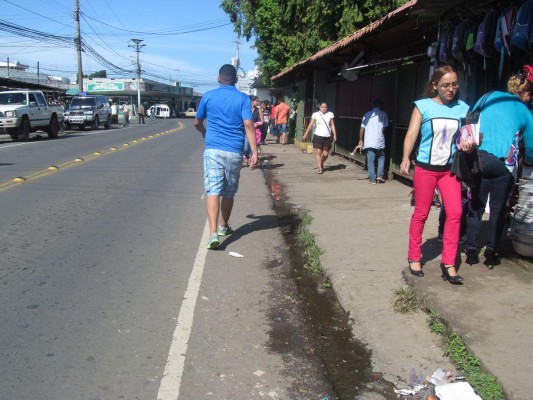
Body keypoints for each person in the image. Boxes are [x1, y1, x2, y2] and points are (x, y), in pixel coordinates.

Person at [400, 65, 470, 284]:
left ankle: (448, 263)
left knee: (456, 212)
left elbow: (468, 136)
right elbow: (411, 134)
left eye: (454, 84)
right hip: (426, 169)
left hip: (449, 171)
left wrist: (469, 144)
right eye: (446, 85)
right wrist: (405, 157)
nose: (451, 89)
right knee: (421, 213)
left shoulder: (463, 108)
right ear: (435, 86)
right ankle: (414, 256)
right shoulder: (423, 107)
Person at [465, 66, 533, 267]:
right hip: (504, 164)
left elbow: (470, 116)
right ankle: (491, 253)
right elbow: (530, 146)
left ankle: (470, 251)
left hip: (479, 158)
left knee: (475, 208)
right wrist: (528, 161)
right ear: (526, 93)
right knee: (497, 210)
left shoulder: (489, 96)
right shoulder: (524, 110)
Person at [194, 64, 258, 250]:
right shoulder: (243, 99)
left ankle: (213, 233)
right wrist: (254, 152)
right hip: (234, 151)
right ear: (236, 80)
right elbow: (248, 125)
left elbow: (197, 122)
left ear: (218, 78)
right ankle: (223, 226)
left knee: (213, 190)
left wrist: (205, 134)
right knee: (229, 192)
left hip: (213, 150)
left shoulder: (208, 96)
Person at [358, 99, 389, 184]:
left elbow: (362, 127)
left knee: (370, 160)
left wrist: (360, 139)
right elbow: (383, 128)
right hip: (379, 140)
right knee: (381, 157)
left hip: (368, 140)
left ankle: (372, 179)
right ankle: (380, 176)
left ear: (373, 105)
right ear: (381, 106)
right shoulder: (384, 114)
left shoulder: (366, 114)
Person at [302, 102, 337, 174]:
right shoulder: (315, 114)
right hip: (318, 135)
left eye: (325, 107)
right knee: (318, 152)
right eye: (322, 107)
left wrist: (335, 134)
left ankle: (321, 162)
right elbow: (311, 124)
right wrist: (305, 134)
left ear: (327, 108)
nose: (324, 108)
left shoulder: (330, 114)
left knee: (325, 154)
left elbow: (332, 125)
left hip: (327, 136)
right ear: (320, 107)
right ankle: (320, 168)